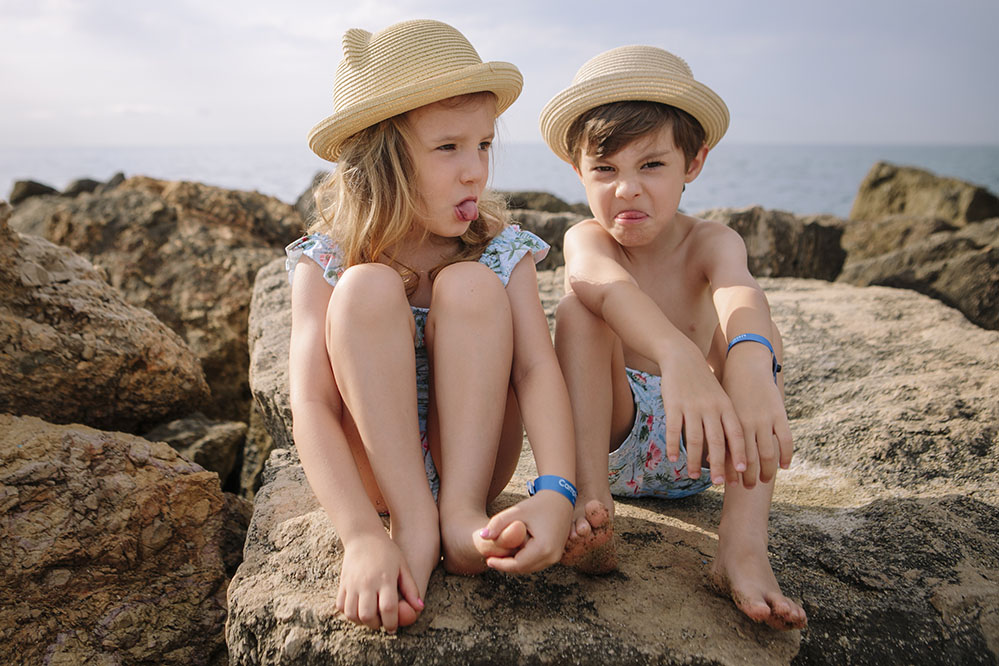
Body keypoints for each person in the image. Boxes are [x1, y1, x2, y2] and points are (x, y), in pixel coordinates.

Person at [287, 19, 576, 634]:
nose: (475, 170)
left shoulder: (500, 250)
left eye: (484, 145)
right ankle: (412, 523)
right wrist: (361, 534)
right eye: (449, 148)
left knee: (470, 283)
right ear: (382, 160)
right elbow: (310, 402)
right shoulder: (327, 258)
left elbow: (535, 369)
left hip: (472, 460)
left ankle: (459, 516)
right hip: (377, 476)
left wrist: (556, 491)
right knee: (367, 287)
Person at [540, 45, 807, 630]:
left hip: (702, 440)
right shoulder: (589, 239)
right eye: (605, 170)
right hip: (609, 440)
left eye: (651, 166)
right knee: (578, 309)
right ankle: (591, 514)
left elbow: (738, 293)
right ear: (578, 172)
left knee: (756, 328)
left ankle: (741, 548)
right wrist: (677, 353)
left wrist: (753, 370)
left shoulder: (711, 241)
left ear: (694, 163)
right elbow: (601, 286)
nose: (627, 189)